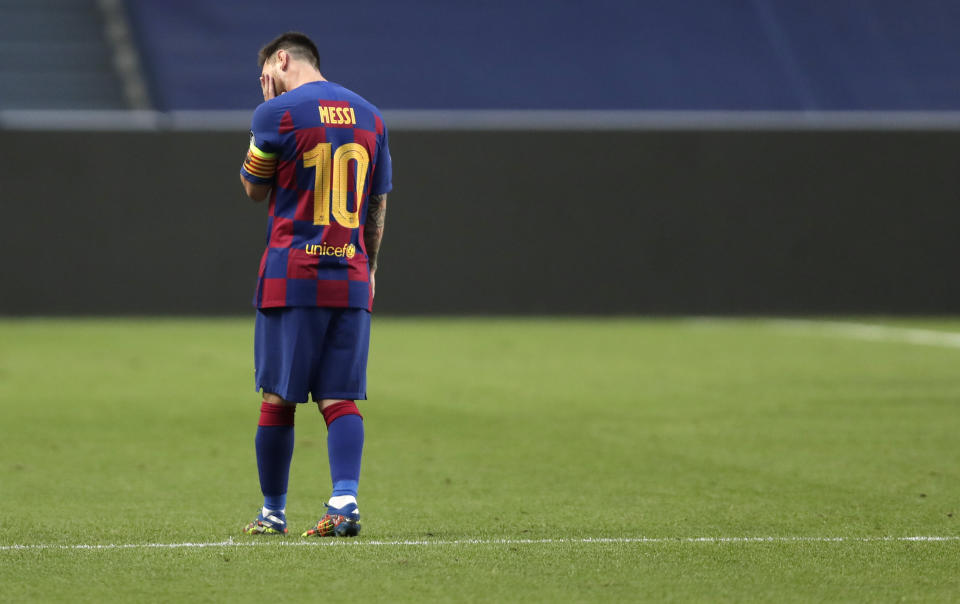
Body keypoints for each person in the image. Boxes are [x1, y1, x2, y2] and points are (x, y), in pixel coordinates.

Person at [238, 31, 391, 537]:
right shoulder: (371, 116)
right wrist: (368, 265)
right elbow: (377, 201)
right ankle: (344, 501)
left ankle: (272, 512)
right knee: (339, 395)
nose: (266, 83)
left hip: (292, 275)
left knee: (277, 397)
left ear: (280, 59)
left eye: (266, 73)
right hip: (350, 275)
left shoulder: (275, 113)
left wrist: (266, 112)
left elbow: (253, 190)